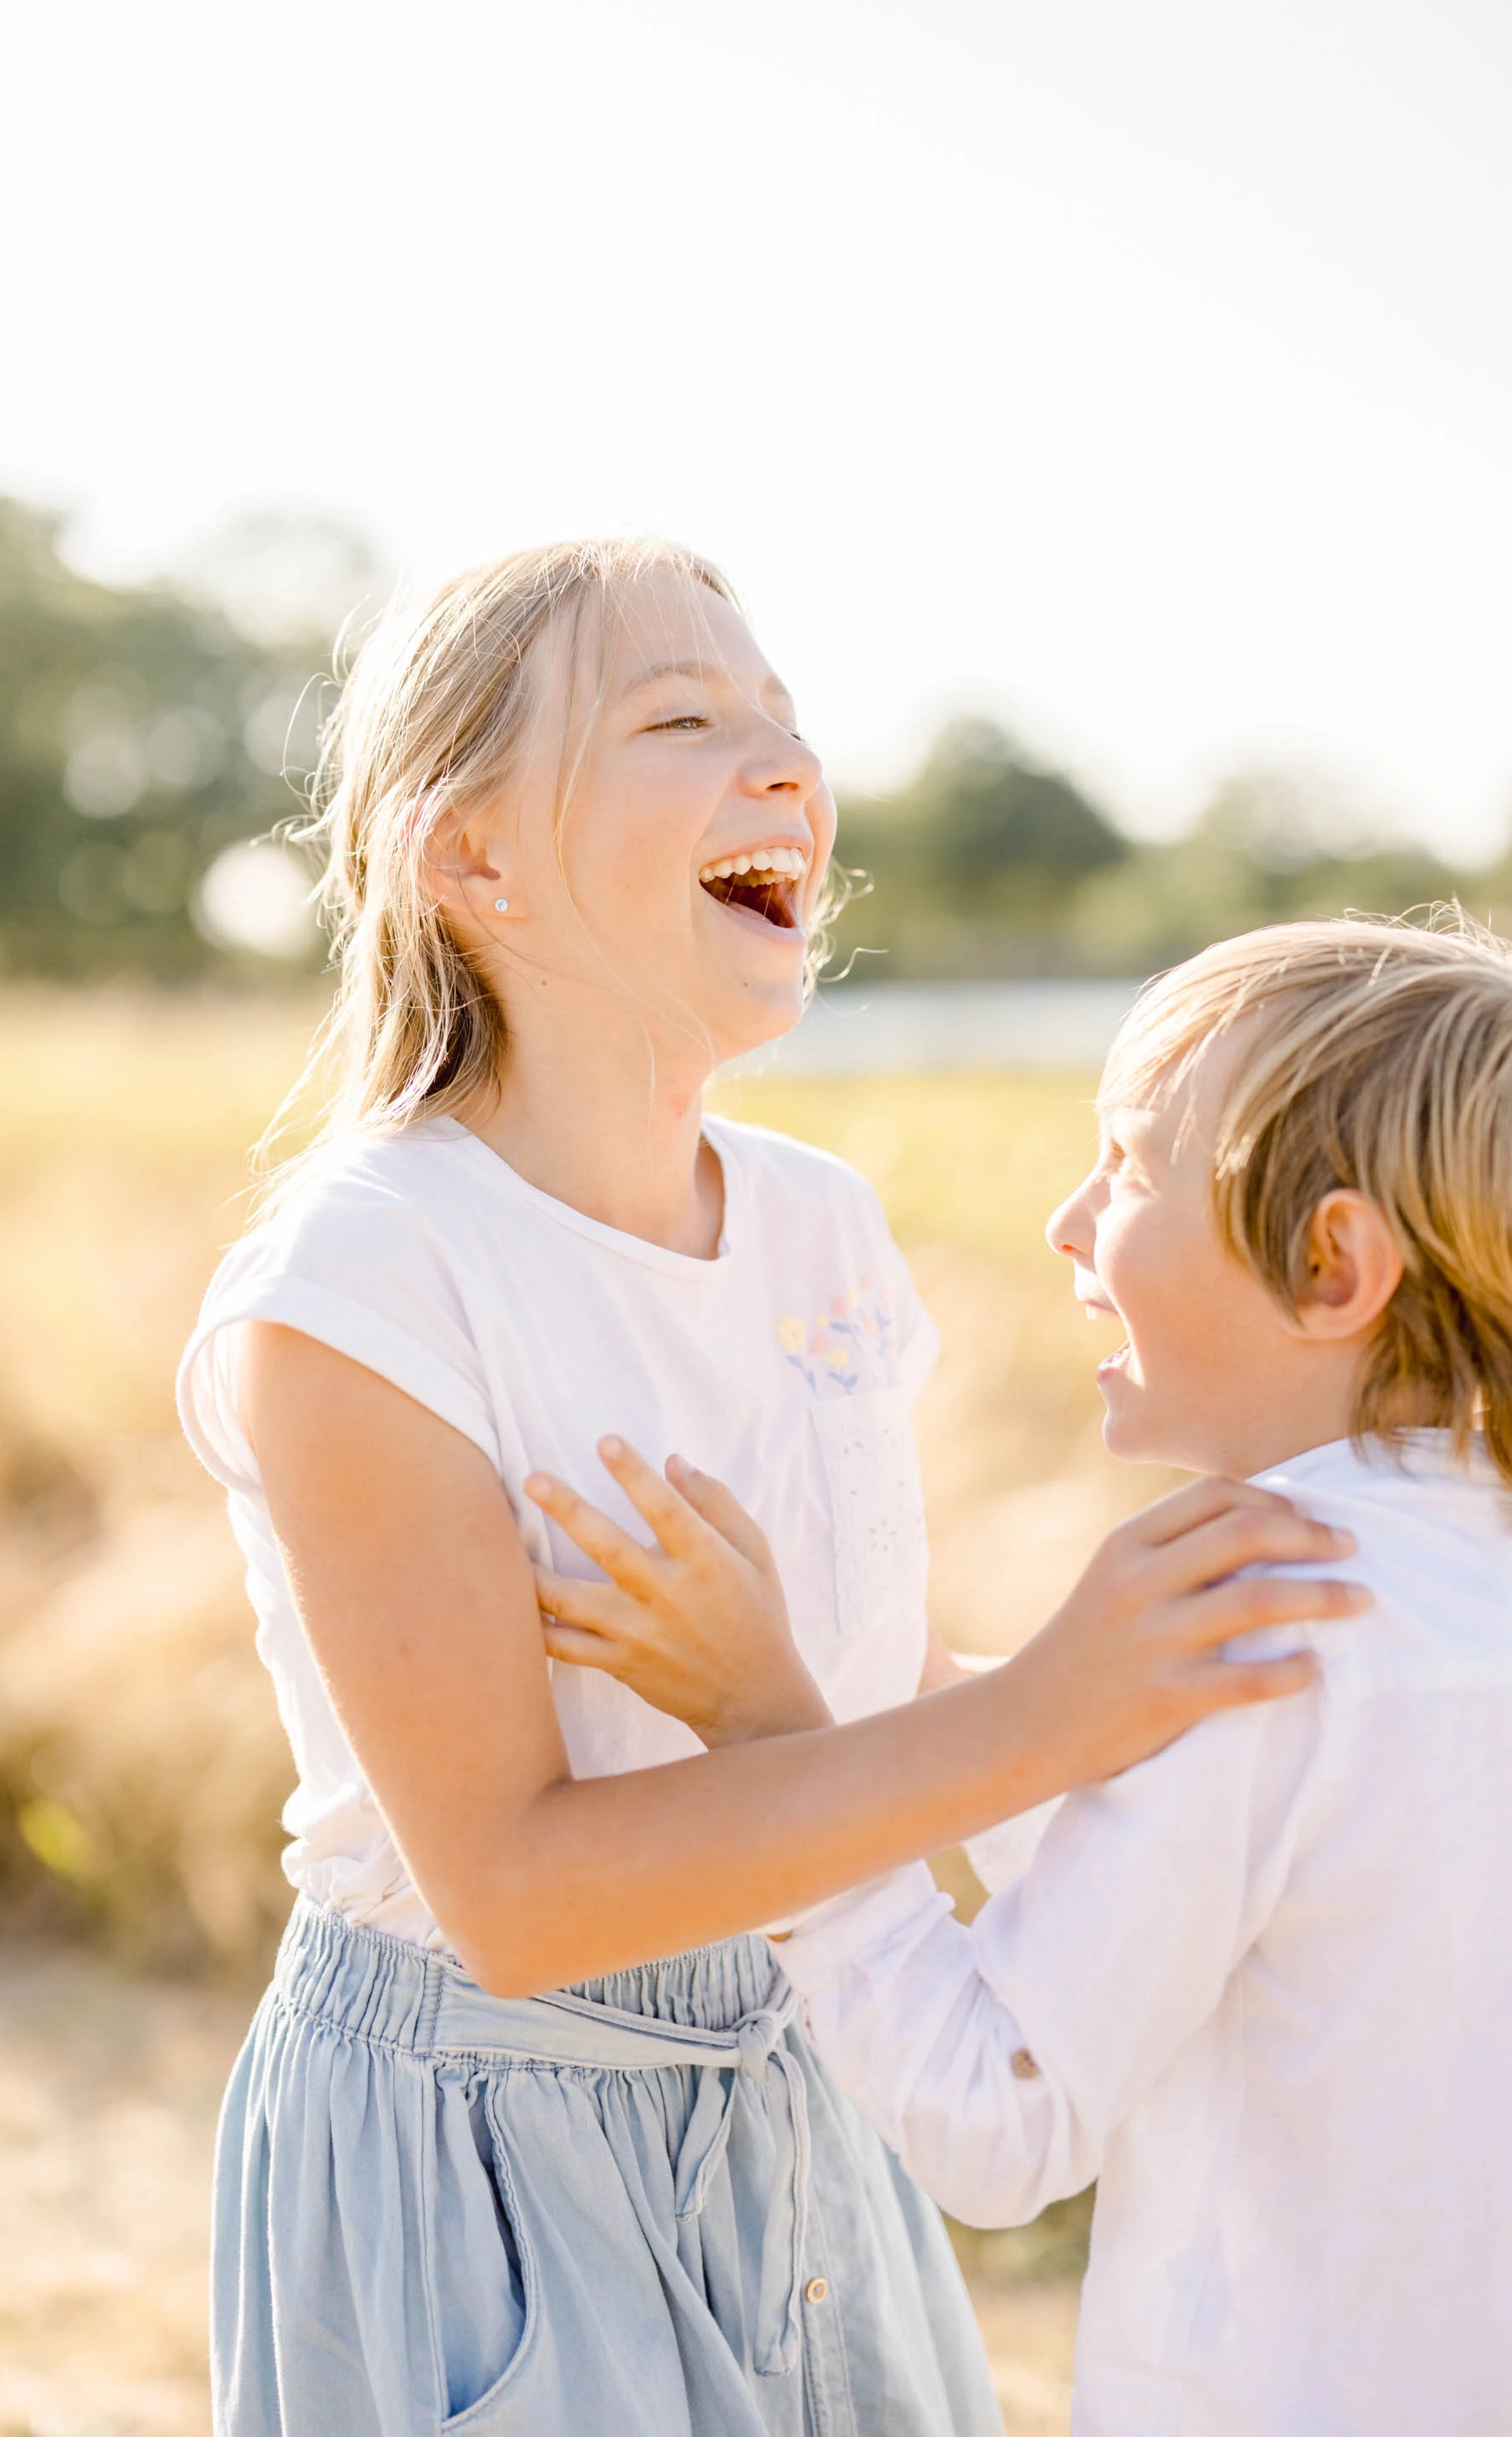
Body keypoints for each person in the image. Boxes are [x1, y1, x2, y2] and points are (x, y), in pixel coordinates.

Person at [177, 539, 1358, 2437]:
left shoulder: (821, 1227)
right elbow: (521, 1896)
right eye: (685, 719)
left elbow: (871, 1701)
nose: (789, 765)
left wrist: (1216, 1738)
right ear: (467, 860)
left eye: (789, 723)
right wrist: (1051, 1715)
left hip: (810, 2098)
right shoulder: (368, 1280)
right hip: (484, 2151)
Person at [531, 912, 1512, 2437]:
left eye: (1126, 1167)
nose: (1067, 1220)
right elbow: (1225, 1887)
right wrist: (911, 1674)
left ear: (1331, 1265)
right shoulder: (1457, 1588)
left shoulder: (1262, 1611)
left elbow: (1001, 2116)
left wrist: (769, 1734)